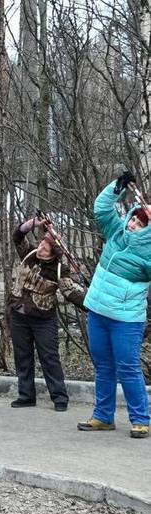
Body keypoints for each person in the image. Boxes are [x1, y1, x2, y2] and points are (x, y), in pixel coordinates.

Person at [78, 171, 151, 439]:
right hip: (98, 311)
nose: (133, 224)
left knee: (128, 367)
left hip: (126, 319)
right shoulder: (116, 231)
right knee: (104, 366)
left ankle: (141, 419)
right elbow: (101, 207)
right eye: (133, 218)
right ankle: (103, 416)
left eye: (140, 223)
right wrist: (116, 187)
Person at [7, 216, 86, 412]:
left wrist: (95, 305)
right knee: (22, 356)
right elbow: (17, 236)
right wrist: (32, 224)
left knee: (49, 358)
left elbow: (72, 293)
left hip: (43, 319)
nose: (41, 246)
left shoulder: (59, 270)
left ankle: (59, 398)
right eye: (41, 242)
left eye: (46, 245)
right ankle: (26, 396)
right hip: (18, 314)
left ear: (53, 252)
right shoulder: (29, 253)